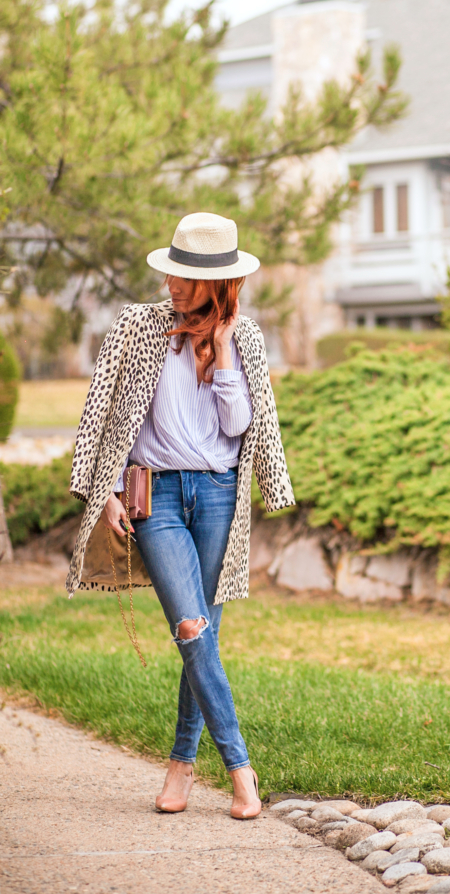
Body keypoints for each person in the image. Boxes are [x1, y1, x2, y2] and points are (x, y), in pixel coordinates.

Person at [66, 212, 295, 819]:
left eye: (186, 278)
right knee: (192, 628)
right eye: (171, 272)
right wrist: (107, 488)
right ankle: (241, 769)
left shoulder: (242, 338)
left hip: (219, 493)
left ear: (216, 283)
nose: (172, 283)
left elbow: (239, 426)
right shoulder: (136, 326)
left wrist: (220, 352)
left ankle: (180, 766)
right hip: (157, 497)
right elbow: (104, 408)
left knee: (203, 635)